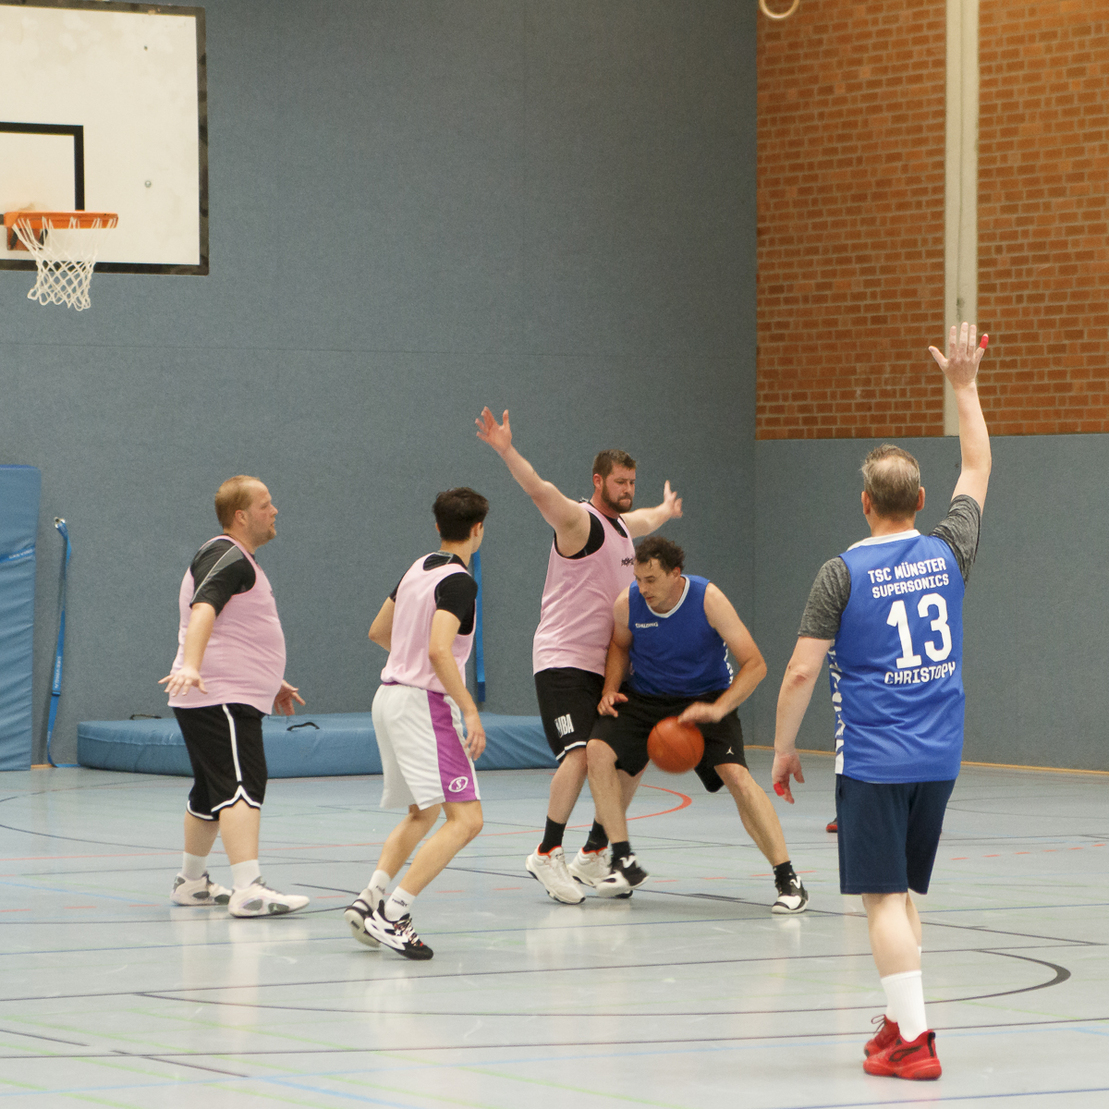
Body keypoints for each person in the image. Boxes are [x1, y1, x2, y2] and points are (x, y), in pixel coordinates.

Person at [771, 322, 991, 1080]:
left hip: (873, 758)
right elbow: (977, 465)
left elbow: (800, 672)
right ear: (920, 500)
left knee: (879, 899)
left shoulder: (840, 571)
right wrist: (963, 387)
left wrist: (781, 747)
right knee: (899, 895)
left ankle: (916, 1042)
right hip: (939, 755)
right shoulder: (947, 550)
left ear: (864, 502)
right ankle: (899, 1021)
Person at [476, 407, 682, 903]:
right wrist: (506, 449)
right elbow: (537, 488)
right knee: (578, 753)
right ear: (598, 481)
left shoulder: (625, 529)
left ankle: (593, 854)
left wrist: (664, 509)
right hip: (563, 659)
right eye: (620, 482)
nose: (628, 489)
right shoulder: (577, 521)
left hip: (608, 666)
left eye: (633, 482)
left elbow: (645, 517)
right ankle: (547, 853)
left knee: (631, 758)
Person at [585, 536, 809, 912]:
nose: (644, 588)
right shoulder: (628, 603)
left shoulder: (708, 599)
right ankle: (622, 860)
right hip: (647, 698)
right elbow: (620, 646)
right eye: (639, 579)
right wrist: (610, 689)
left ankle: (788, 878)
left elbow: (755, 664)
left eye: (652, 580)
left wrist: (719, 709)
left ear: (676, 574)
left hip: (706, 698)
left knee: (737, 778)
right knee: (597, 751)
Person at [344, 488, 489, 960]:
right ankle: (393, 914)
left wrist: (409, 665)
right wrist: (468, 708)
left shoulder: (417, 567)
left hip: (388, 697)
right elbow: (439, 650)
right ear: (478, 530)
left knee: (422, 813)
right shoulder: (461, 582)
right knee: (466, 820)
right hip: (424, 703)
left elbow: (377, 631)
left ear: (437, 527)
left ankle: (369, 900)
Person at [160, 476, 309, 917]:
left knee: (211, 793)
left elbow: (238, 627)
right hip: (219, 696)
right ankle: (249, 888)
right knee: (242, 785)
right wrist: (191, 664)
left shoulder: (238, 559)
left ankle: (191, 883)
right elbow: (204, 607)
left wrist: (271, 678)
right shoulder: (227, 554)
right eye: (266, 504)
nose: (275, 510)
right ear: (241, 516)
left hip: (223, 693)